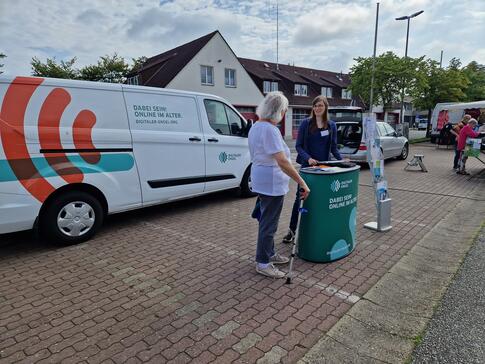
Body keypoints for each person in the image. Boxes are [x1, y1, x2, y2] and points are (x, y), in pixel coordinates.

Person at [248, 91, 310, 279]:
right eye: (284, 110)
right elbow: (283, 162)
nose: (284, 114)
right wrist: (302, 183)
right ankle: (263, 262)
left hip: (262, 180)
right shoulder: (270, 130)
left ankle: (269, 253)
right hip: (271, 183)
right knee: (269, 223)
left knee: (266, 219)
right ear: (279, 111)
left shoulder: (256, 126)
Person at [282, 95, 342, 244]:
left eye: (320, 106)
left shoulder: (332, 125)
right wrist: (308, 158)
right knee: (300, 199)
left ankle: (319, 229)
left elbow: (333, 147)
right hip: (308, 169)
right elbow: (299, 146)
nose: (317, 108)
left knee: (321, 200)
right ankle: (292, 230)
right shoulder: (306, 123)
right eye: (315, 106)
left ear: (325, 107)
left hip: (324, 170)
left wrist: (341, 161)